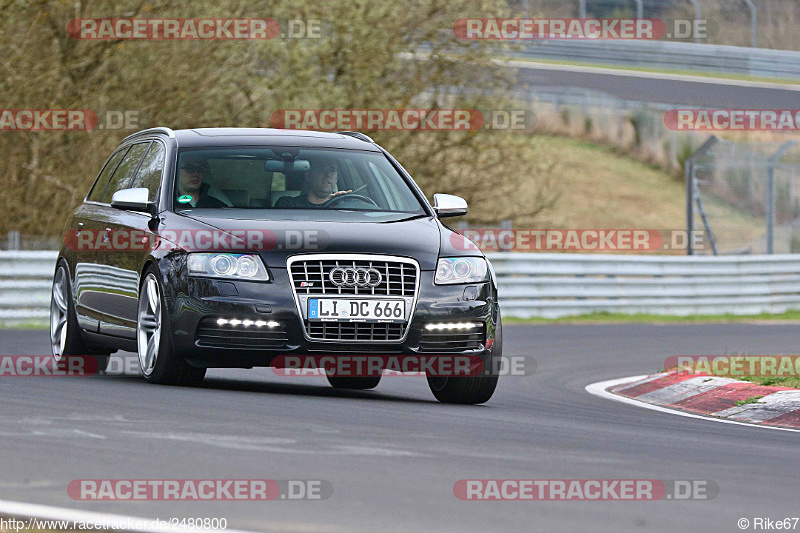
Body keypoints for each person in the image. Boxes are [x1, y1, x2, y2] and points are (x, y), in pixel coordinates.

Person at [275, 164, 352, 208]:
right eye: (322, 169)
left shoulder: (342, 205)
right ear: (308, 175)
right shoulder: (288, 204)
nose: (328, 174)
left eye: (332, 170)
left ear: (336, 178)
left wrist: (341, 204)